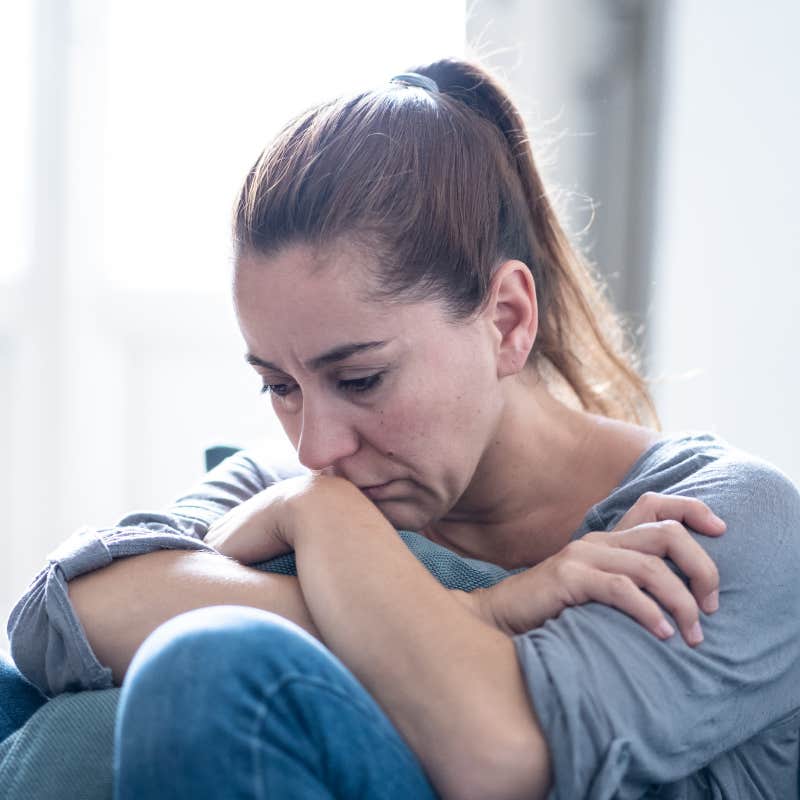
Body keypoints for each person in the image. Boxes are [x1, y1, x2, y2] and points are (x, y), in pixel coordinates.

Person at [4, 57, 800, 799]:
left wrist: (321, 526)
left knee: (200, 670)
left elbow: (492, 749)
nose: (317, 449)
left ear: (507, 319)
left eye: (361, 380)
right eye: (279, 385)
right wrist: (479, 608)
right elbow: (59, 617)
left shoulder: (719, 524)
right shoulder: (301, 489)